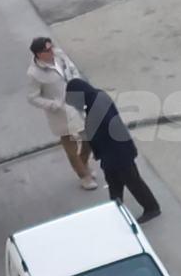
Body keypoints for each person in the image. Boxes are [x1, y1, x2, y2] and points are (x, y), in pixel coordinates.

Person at [65, 78, 162, 223]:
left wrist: (90, 132)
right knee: (114, 182)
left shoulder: (95, 107)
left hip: (117, 152)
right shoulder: (97, 96)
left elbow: (101, 128)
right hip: (113, 152)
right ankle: (116, 208)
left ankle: (152, 207)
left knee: (133, 181)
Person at [26, 37, 97, 190]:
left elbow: (72, 69)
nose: (52, 51)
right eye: (47, 50)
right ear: (39, 54)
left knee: (89, 139)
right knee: (70, 145)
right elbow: (32, 97)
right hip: (60, 113)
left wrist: (77, 83)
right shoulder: (34, 74)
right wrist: (53, 104)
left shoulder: (60, 56)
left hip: (77, 104)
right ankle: (84, 176)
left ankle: (83, 164)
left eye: (51, 47)